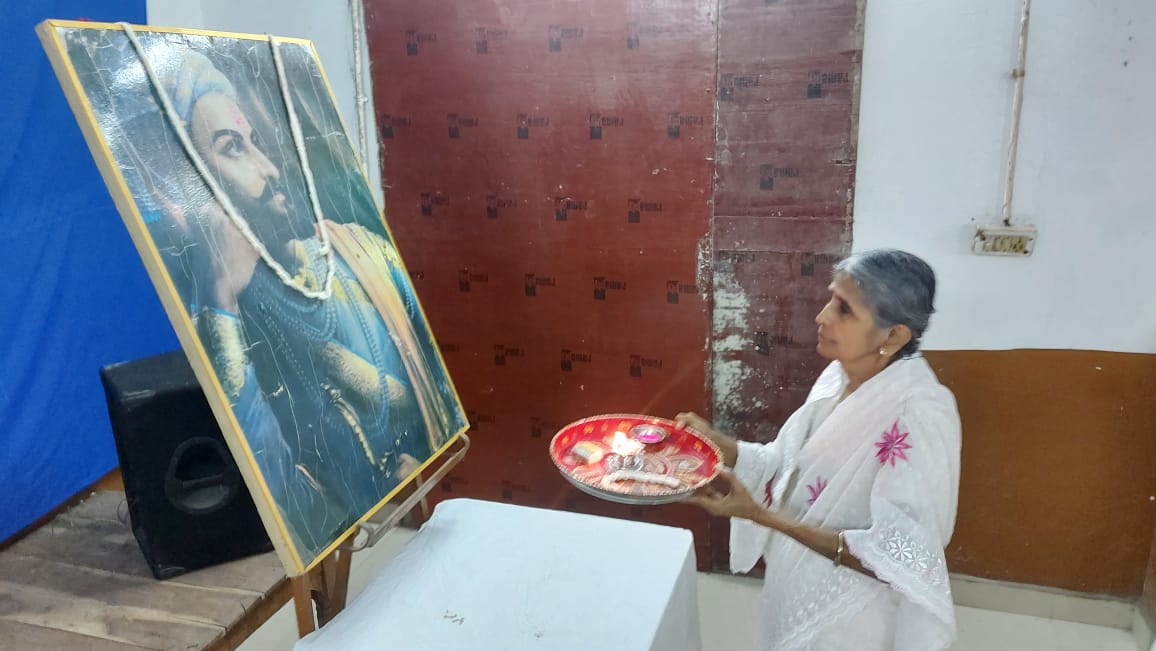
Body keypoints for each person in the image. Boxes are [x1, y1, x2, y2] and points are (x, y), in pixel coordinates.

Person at [112, 43, 466, 561]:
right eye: (233, 148)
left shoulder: (360, 254)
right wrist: (221, 302)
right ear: (192, 195)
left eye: (257, 143)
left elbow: (432, 386)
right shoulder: (229, 324)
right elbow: (287, 499)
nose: (269, 168)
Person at [677, 250, 961, 651]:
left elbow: (904, 553)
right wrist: (722, 447)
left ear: (893, 336)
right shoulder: (838, 376)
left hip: (849, 618)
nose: (822, 316)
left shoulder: (920, 414)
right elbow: (790, 468)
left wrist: (761, 516)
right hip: (796, 582)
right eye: (831, 299)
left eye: (844, 309)